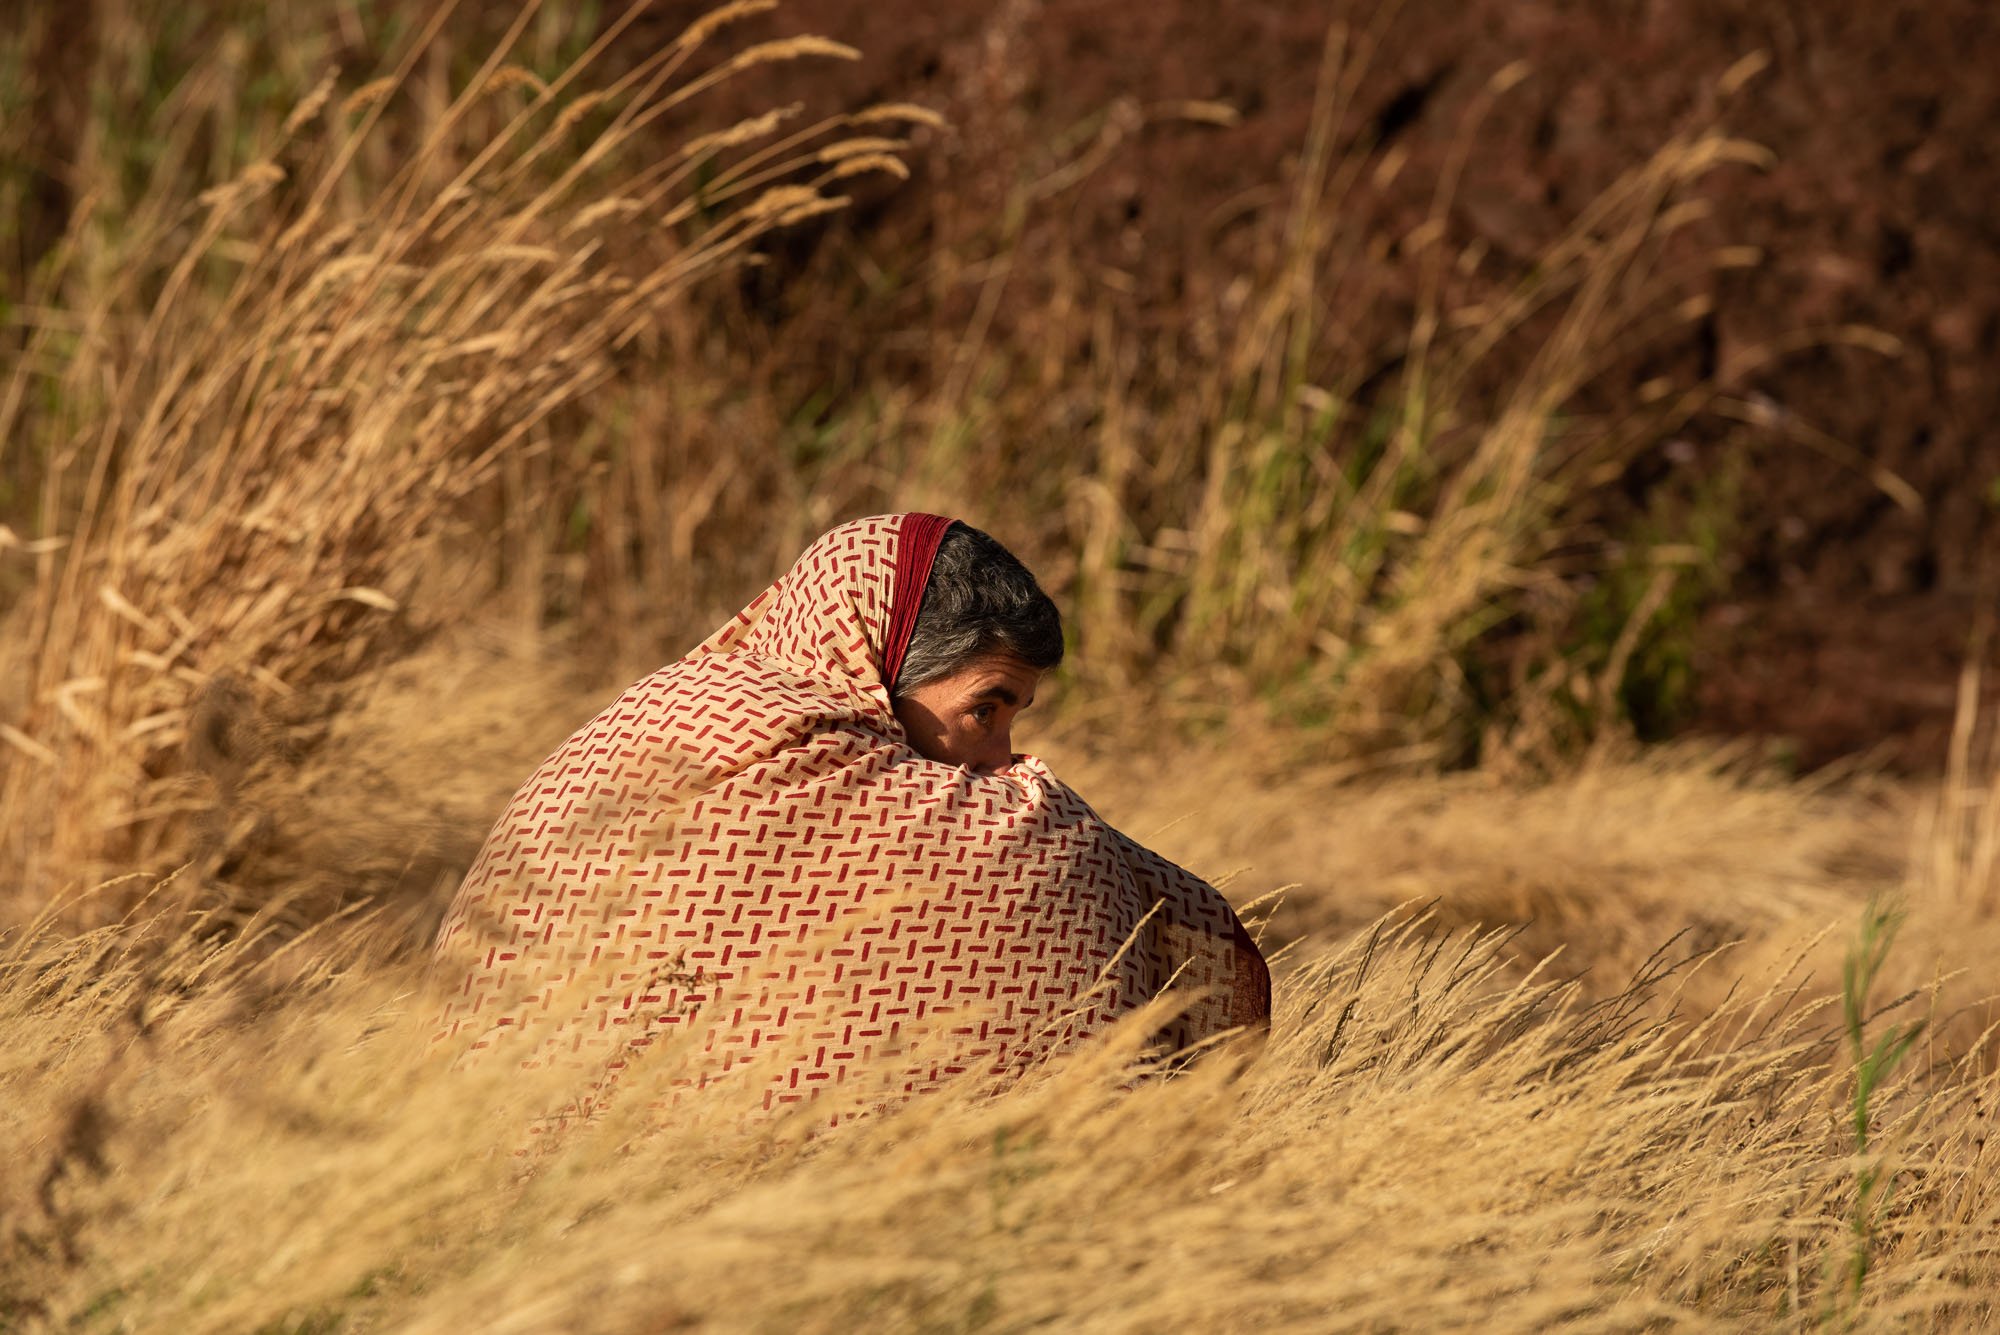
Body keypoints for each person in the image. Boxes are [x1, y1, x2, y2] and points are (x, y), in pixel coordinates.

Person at [429, 513, 1269, 1122]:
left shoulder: (649, 712)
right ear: (881, 665)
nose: (1006, 756)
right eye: (988, 708)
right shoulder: (771, 746)